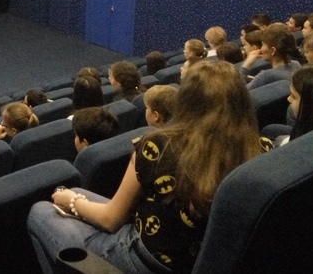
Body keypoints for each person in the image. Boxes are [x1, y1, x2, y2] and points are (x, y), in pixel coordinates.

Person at [27, 61, 272, 274]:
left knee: (40, 211)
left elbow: (111, 220)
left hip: (146, 261)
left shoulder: (158, 145)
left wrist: (71, 201)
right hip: (199, 259)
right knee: (79, 194)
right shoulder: (262, 147)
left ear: (186, 100)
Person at [242, 24, 301, 90]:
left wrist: (245, 65)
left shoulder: (266, 76)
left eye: (263, 44)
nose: (261, 49)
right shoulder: (296, 64)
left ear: (273, 50)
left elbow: (239, 91)